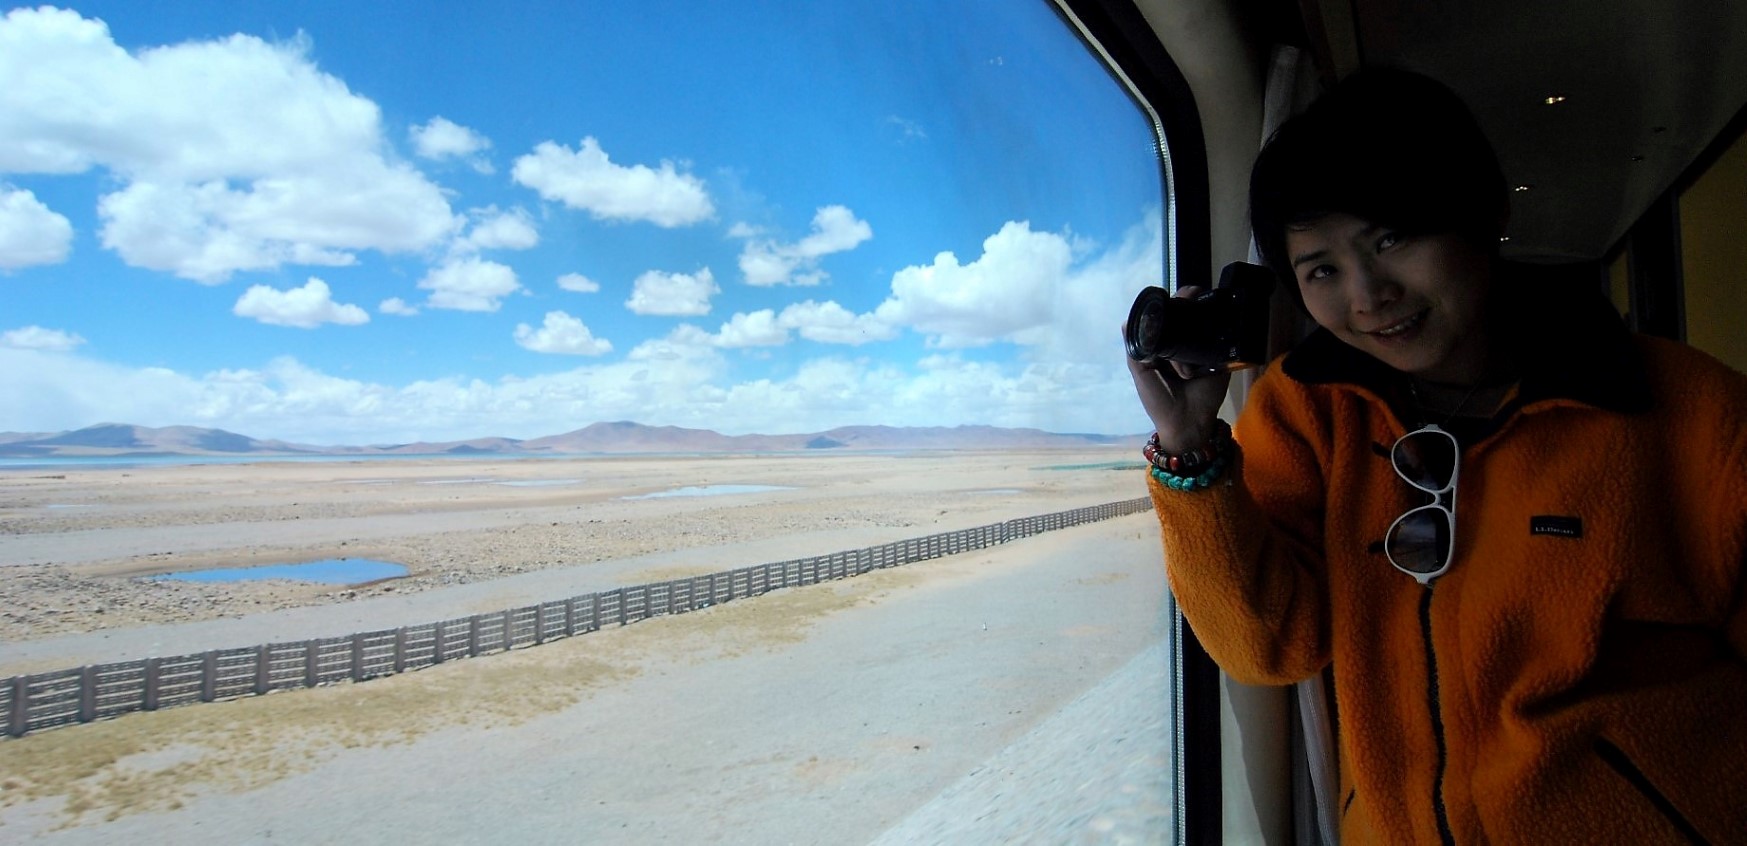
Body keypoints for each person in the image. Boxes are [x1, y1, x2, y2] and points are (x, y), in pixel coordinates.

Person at [1127, 67, 1747, 844]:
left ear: (1484, 213)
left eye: (1392, 239)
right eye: (1320, 269)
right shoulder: (1305, 415)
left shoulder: (1689, 414)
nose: (1366, 295)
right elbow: (1270, 646)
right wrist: (1189, 449)